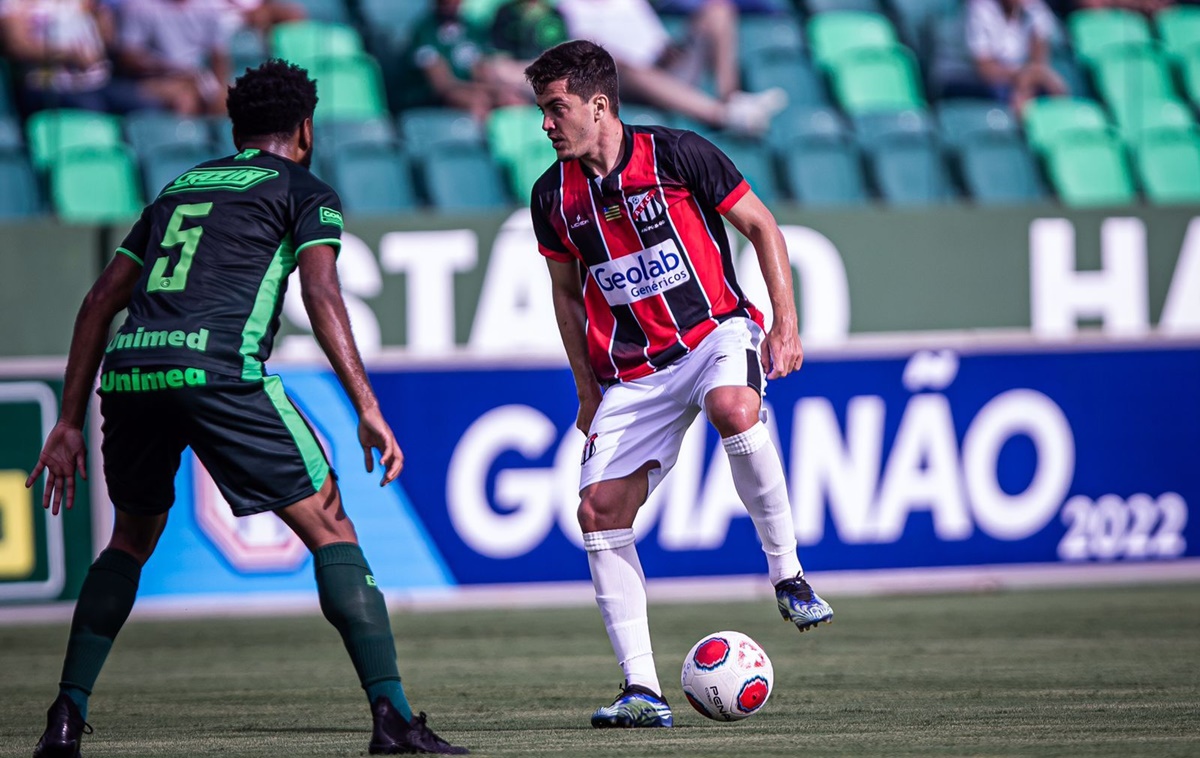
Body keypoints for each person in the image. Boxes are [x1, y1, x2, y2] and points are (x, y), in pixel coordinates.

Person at [25, 59, 467, 757]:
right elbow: (322, 297)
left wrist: (69, 421)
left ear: (235, 129)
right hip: (220, 368)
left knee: (129, 543)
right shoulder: (305, 190)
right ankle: (393, 720)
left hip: (133, 369)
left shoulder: (179, 186)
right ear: (306, 129)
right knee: (331, 526)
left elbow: (97, 302)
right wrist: (367, 406)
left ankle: (64, 719)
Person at [524, 40, 832, 729]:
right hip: (631, 371)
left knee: (732, 405)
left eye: (556, 108)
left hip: (713, 333)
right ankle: (643, 691)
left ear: (599, 105)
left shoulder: (679, 153)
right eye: (543, 110)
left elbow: (760, 226)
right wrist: (585, 389)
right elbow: (567, 296)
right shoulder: (552, 195)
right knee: (598, 512)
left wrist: (785, 325)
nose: (546, 124)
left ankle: (788, 574)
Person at [555, 0, 787, 136]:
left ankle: (731, 98)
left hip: (662, 67)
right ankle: (722, 116)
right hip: (621, 81)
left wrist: (667, 53)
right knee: (623, 67)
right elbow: (583, 53)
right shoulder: (568, 7)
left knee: (718, 10)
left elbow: (654, 41)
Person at [0, 0, 154, 114]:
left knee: (145, 107)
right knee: (91, 109)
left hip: (97, 83)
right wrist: (68, 56)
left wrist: (100, 15)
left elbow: (108, 41)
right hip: (48, 88)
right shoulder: (16, 4)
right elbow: (17, 46)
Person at [409, 0, 530, 121]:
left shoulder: (472, 28)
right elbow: (442, 86)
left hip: (475, 87)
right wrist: (488, 91)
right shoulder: (425, 32)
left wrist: (500, 91)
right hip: (437, 99)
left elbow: (482, 71)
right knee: (477, 102)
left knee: (512, 100)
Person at [113, 0, 232, 115]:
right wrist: (175, 69)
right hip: (154, 79)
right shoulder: (139, 6)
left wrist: (220, 88)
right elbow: (128, 57)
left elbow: (219, 56)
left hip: (195, 78)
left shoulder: (208, 7)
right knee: (185, 100)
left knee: (227, 100)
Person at [965, 0, 1068, 114]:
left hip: (1026, 77)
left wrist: (1027, 85)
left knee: (1056, 89)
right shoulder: (979, 8)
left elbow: (1039, 61)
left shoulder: (1034, 7)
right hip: (990, 82)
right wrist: (1021, 78)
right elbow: (985, 69)